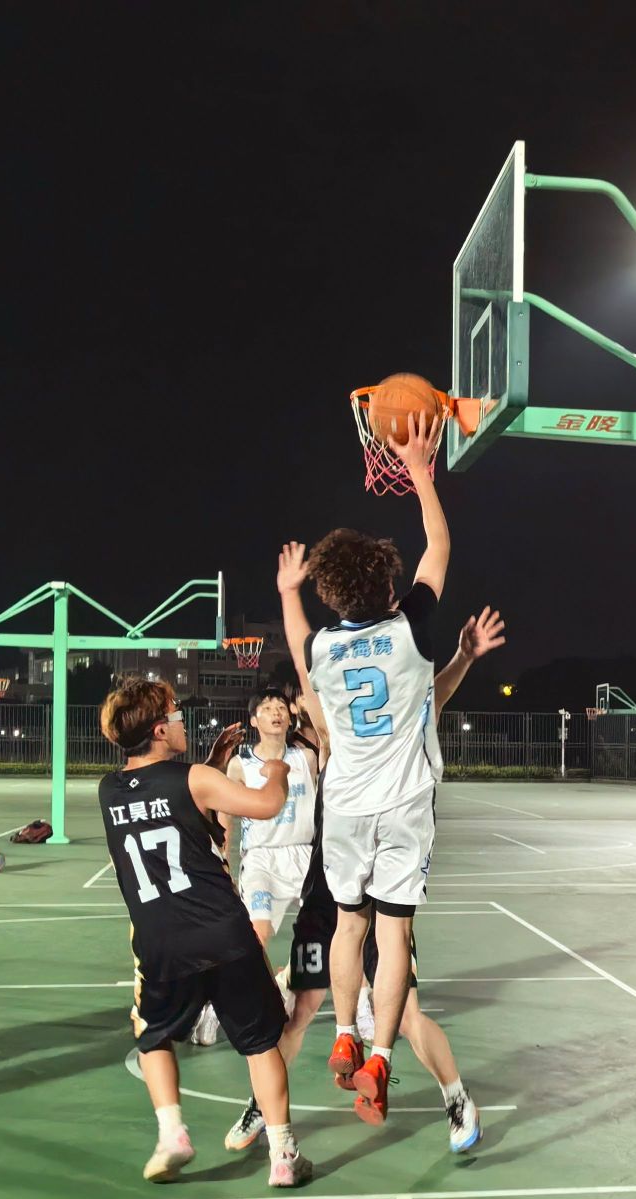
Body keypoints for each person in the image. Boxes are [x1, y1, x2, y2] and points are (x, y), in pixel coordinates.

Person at [218, 602, 505, 1156]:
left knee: (407, 1016)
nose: (290, 707)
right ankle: (263, 1104)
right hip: (326, 895)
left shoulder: (354, 732)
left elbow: (429, 700)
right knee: (300, 1010)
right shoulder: (316, 744)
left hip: (372, 890)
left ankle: (456, 1097)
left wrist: (463, 659)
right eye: (286, 701)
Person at [280, 413, 448, 1123]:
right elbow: (438, 544)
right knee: (393, 933)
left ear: (329, 594)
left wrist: (288, 589)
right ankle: (379, 1055)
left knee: (347, 924)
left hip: (343, 805)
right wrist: (418, 470)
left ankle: (344, 1033)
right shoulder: (412, 629)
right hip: (404, 803)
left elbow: (296, 640)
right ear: (387, 583)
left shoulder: (321, 650)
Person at [99, 676, 312, 1187]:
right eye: (174, 714)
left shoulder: (109, 790)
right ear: (158, 730)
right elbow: (265, 805)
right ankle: (283, 1154)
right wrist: (277, 770)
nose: (182, 721)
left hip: (160, 940)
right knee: (261, 1043)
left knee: (152, 1037)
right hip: (221, 932)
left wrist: (213, 763)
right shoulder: (194, 778)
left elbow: (172, 803)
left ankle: (171, 1134)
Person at [223, 687, 317, 949]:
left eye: (281, 708)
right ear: (254, 720)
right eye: (267, 708)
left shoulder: (306, 758)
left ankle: (290, 972)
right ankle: (259, 977)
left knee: (322, 929)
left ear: (289, 719)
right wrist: (224, 862)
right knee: (257, 932)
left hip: (303, 855)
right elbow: (225, 816)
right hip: (260, 858)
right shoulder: (240, 765)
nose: (276, 713)